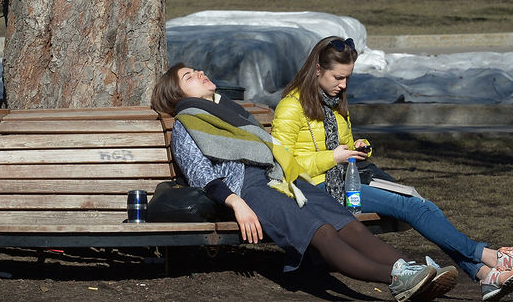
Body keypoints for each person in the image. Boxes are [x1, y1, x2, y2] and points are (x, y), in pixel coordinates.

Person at [152, 63, 452, 302]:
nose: (200, 74)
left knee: (347, 224)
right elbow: (200, 173)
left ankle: (410, 270)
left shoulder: (230, 110)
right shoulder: (185, 124)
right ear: (178, 95)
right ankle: (397, 279)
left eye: (197, 70)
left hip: (283, 178)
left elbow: (269, 149)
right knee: (321, 232)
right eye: (190, 76)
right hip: (248, 189)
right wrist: (237, 203)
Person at [271, 36, 513, 302]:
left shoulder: (334, 104)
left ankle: (484, 273)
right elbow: (282, 164)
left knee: (420, 203)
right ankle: (489, 258)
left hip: (346, 177)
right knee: (414, 207)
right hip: (317, 188)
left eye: (348, 77)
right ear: (317, 70)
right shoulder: (291, 107)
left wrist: (360, 148)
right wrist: (332, 157)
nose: (344, 85)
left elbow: (344, 145)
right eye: (338, 77)